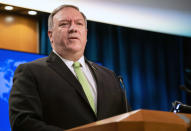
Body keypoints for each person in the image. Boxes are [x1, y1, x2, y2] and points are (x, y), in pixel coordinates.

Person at [9, 5, 130, 131]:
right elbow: (23, 123)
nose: (73, 29)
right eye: (64, 24)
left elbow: (129, 122)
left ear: (86, 34)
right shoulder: (30, 72)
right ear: (50, 35)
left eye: (79, 24)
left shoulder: (110, 76)